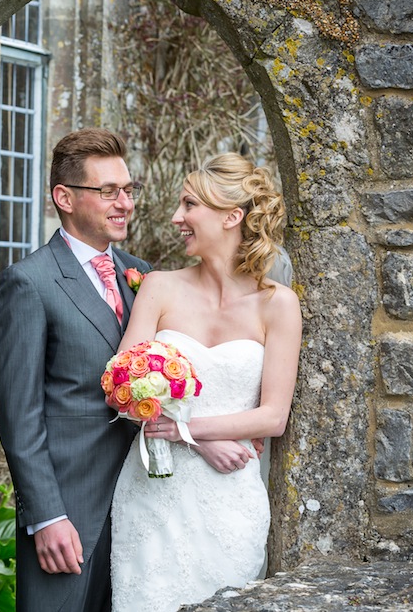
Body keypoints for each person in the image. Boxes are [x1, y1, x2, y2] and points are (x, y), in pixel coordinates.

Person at [0, 131, 253, 612]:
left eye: (129, 190)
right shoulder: (28, 283)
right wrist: (46, 515)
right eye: (109, 191)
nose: (125, 203)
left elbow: (165, 386)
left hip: (152, 506)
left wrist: (204, 432)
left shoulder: (142, 274)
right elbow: (17, 415)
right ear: (65, 198)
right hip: (70, 514)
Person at [110, 155, 302, 612]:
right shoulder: (158, 287)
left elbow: (273, 417)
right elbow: (121, 383)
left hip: (230, 496)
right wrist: (195, 441)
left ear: (232, 216)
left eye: (189, 204)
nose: (177, 217)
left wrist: (185, 429)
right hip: (154, 490)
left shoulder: (278, 306)